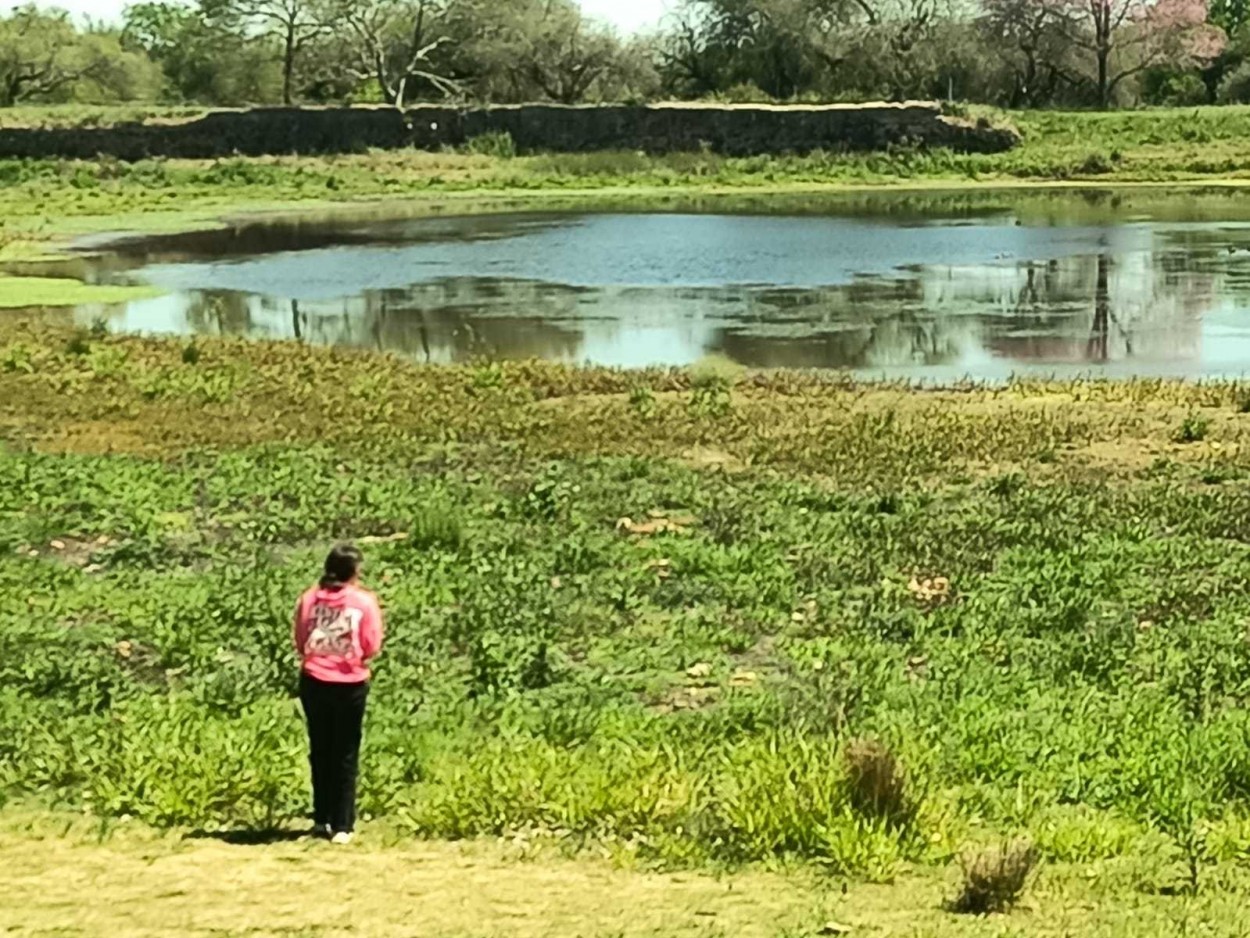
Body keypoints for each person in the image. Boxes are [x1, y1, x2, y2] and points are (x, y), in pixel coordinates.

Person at [293, 543, 384, 845]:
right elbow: (371, 644)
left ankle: (320, 818)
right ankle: (342, 824)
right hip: (350, 683)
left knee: (320, 748)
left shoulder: (308, 600)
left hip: (314, 680)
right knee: (346, 752)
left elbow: (301, 638)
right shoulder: (364, 602)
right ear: (354, 572)